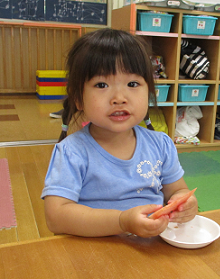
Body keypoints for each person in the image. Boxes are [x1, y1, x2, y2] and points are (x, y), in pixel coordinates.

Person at [41, 28, 198, 238]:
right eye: (101, 84)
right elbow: (56, 217)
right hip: (93, 252)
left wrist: (184, 203)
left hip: (150, 248)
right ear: (78, 98)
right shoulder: (72, 152)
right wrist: (122, 222)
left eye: (133, 84)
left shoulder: (161, 144)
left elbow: (176, 190)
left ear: (149, 93)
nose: (119, 97)